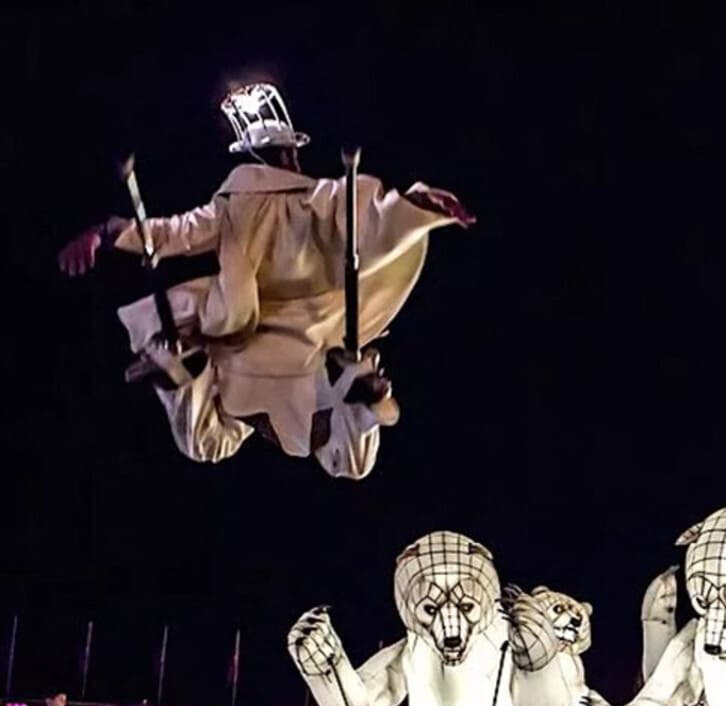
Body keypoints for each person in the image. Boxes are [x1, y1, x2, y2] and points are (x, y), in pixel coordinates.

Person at [55, 82, 475, 478]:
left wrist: (107, 233)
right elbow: (375, 219)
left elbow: (169, 234)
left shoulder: (233, 205)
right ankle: (360, 395)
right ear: (291, 155)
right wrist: (422, 205)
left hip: (245, 344)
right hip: (308, 341)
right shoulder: (323, 199)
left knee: (204, 444)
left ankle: (186, 374)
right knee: (350, 464)